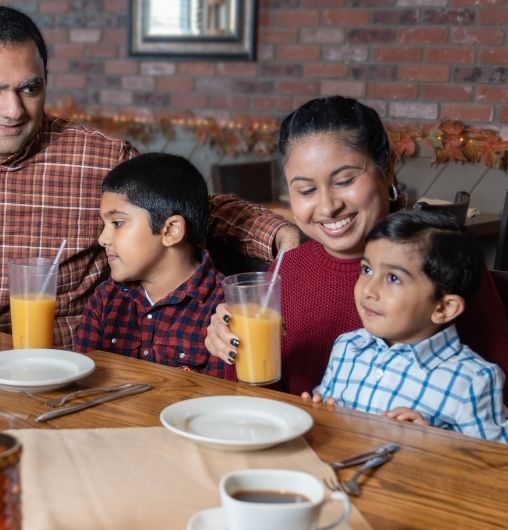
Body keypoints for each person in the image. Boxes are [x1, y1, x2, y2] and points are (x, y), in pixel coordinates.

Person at [0, 5, 297, 346]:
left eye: (30, 88)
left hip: (60, 373)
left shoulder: (96, 156)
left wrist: (279, 234)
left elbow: (184, 206)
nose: (12, 110)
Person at [205, 96, 508, 400]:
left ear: (386, 170)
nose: (328, 206)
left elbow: (496, 401)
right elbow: (258, 402)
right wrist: (233, 348)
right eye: (306, 190)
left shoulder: (441, 264)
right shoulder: (286, 272)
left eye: (345, 180)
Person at [304, 211, 507, 443]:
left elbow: (495, 464)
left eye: (393, 278)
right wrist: (317, 409)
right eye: (366, 270)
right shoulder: (347, 347)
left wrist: (434, 442)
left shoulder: (474, 380)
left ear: (444, 308)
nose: (368, 290)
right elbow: (326, 403)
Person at [75, 153, 232, 377]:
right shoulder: (105, 299)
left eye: (117, 223)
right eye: (104, 224)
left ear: (171, 231)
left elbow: (226, 402)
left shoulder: (224, 307)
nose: (102, 239)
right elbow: (82, 383)